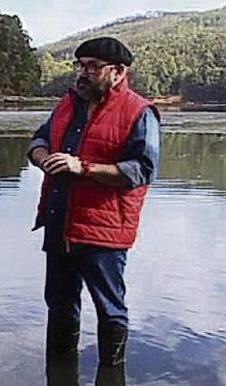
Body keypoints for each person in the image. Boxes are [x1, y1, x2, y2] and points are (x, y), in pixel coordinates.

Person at [27, 37, 161, 368]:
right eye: (80, 66)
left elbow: (142, 170)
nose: (83, 73)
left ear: (118, 72)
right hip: (60, 221)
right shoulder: (67, 104)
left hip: (103, 230)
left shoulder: (139, 112)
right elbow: (39, 139)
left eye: (92, 67)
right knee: (59, 305)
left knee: (110, 308)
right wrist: (43, 157)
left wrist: (83, 167)